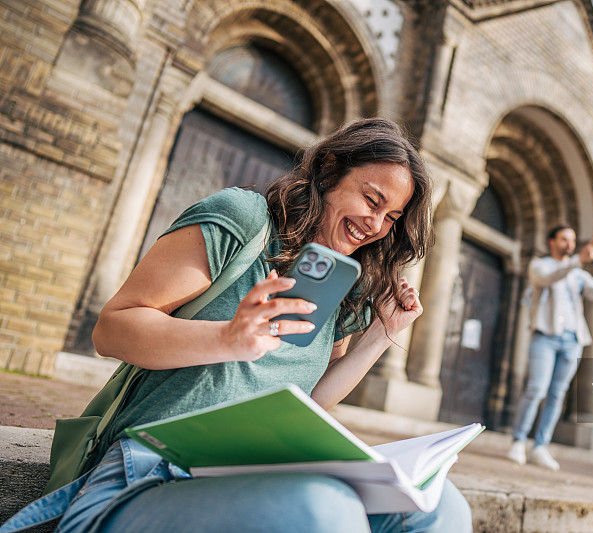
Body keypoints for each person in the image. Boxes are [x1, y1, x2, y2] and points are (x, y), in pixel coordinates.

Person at [1, 118, 472, 533]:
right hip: (152, 473)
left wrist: (379, 337)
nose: (376, 225)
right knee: (322, 510)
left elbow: (310, 400)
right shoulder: (244, 219)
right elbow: (112, 330)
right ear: (328, 170)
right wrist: (227, 337)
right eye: (372, 200)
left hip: (258, 475)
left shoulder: (343, 286)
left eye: (391, 217)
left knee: (439, 506)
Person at [507, 224, 593, 471]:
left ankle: (540, 446)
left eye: (573, 240)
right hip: (545, 337)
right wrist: (577, 260)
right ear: (552, 241)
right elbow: (547, 278)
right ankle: (518, 441)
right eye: (564, 239)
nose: (570, 244)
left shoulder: (578, 274)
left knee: (558, 394)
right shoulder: (540, 265)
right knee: (536, 389)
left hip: (572, 340)